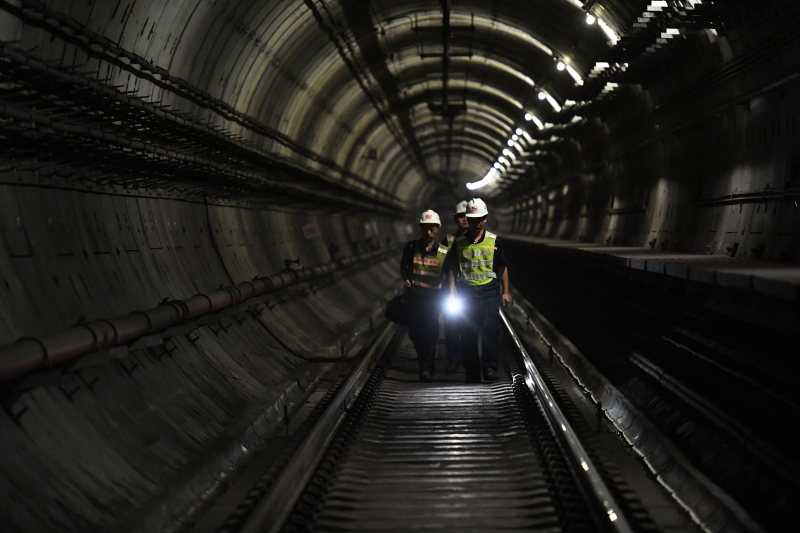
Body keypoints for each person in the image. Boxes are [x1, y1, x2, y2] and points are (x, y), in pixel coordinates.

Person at [445, 198, 511, 383]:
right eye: (472, 219)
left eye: (479, 218)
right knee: (467, 333)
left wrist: (505, 291)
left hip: (488, 290)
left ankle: (489, 367)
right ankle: (472, 372)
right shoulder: (458, 243)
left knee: (490, 328)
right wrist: (451, 292)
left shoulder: (494, 240)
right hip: (466, 292)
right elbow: (451, 269)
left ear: (485, 219)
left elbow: (502, 267)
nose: (475, 222)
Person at [400, 210, 451, 382]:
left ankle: (427, 368)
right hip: (415, 297)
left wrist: (450, 292)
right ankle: (425, 363)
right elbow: (403, 266)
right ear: (420, 229)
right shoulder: (411, 247)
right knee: (415, 333)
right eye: (425, 229)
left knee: (430, 333)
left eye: (432, 229)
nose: (428, 233)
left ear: (437, 229)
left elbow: (450, 273)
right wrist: (406, 278)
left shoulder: (444, 252)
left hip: (434, 299)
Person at [443, 201, 470, 374]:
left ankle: (469, 359)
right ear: (455, 219)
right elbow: (440, 263)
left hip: (471, 289)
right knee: (451, 325)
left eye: (467, 215)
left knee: (470, 326)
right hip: (452, 289)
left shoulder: (481, 239)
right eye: (461, 216)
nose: (465, 219)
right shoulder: (448, 240)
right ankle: (454, 359)